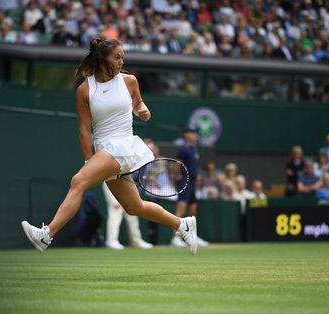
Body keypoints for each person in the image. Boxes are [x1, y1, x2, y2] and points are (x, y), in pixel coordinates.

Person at [21, 38, 197, 255]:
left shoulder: (129, 81)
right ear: (102, 59)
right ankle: (183, 225)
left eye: (123, 57)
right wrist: (89, 160)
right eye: (117, 57)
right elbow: (84, 130)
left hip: (124, 146)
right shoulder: (85, 90)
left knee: (78, 181)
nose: (122, 61)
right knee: (134, 207)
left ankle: (46, 235)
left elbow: (138, 103)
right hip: (105, 151)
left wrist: (143, 110)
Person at [170, 125, 208, 248]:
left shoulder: (194, 149)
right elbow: (177, 164)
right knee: (181, 208)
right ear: (186, 135)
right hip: (184, 181)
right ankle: (175, 238)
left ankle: (192, 237)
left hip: (192, 183)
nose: (194, 135)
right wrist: (177, 178)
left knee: (192, 210)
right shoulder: (183, 149)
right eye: (192, 133)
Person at [101, 182, 153, 250]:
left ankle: (136, 242)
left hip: (125, 184)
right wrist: (114, 201)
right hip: (112, 183)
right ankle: (111, 241)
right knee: (115, 214)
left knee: (132, 215)